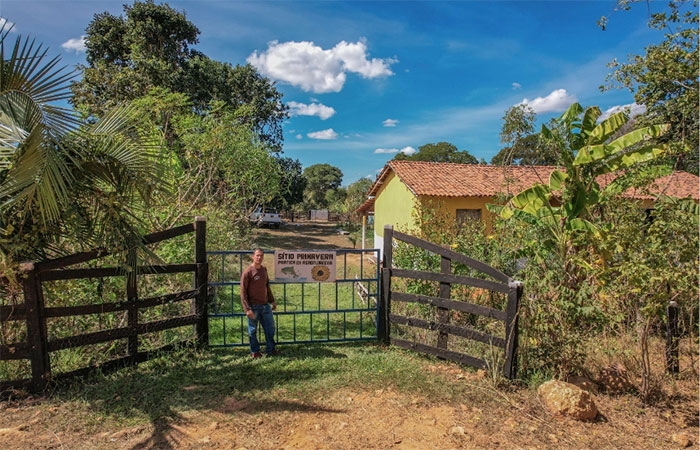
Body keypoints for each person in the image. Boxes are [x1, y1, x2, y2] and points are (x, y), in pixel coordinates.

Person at [240, 248, 279, 357]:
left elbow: (267, 286)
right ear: (253, 256)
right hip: (253, 307)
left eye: (261, 255)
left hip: (265, 306)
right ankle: (255, 352)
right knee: (252, 331)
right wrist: (247, 309)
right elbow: (243, 292)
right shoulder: (248, 272)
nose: (259, 258)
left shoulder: (264, 270)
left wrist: (272, 300)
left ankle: (271, 350)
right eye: (257, 255)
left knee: (270, 329)